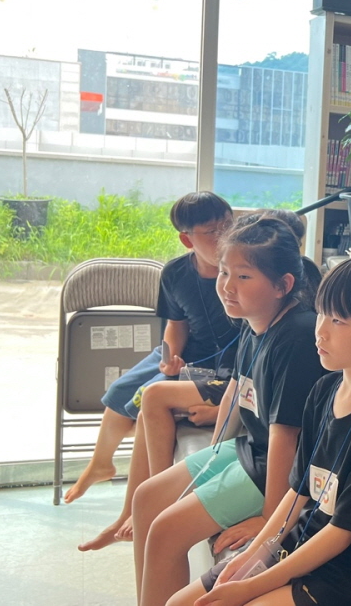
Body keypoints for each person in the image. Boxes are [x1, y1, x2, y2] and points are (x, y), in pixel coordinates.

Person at [167, 254, 351, 606]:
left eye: (338, 320)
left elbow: (341, 534)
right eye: (321, 313)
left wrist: (252, 586)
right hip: (304, 543)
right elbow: (298, 491)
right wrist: (253, 556)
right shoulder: (324, 389)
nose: (321, 331)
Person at [132, 216, 327, 606]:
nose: (227, 286)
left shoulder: (296, 336)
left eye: (243, 276)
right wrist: (211, 457)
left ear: (283, 285)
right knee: (146, 498)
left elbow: (287, 439)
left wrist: (269, 523)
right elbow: (235, 393)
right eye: (224, 272)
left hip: (282, 471)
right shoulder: (253, 321)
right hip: (249, 450)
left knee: (166, 531)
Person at [67, 191, 238, 510]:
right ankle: (101, 463)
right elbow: (177, 324)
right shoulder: (175, 273)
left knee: (148, 399)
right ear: (187, 240)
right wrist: (169, 359)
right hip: (188, 353)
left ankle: (142, 499)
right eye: (212, 231)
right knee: (119, 392)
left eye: (228, 225)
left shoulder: (239, 270)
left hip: (225, 363)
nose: (224, 236)